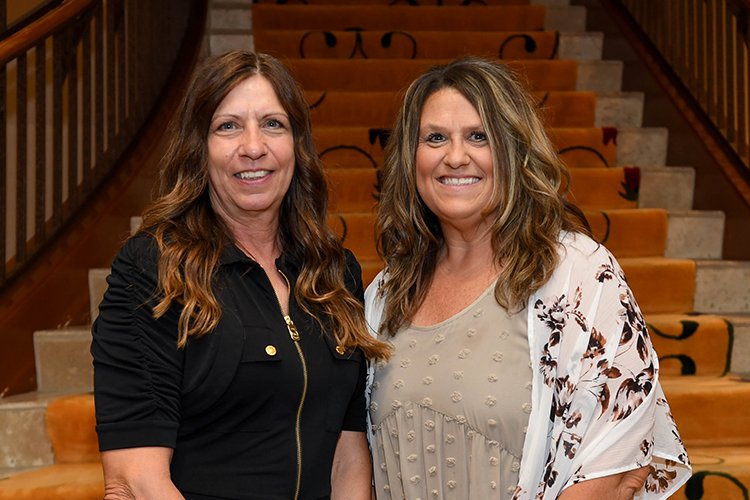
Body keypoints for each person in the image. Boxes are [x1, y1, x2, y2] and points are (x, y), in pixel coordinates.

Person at [364, 57, 691, 499]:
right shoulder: (384, 295)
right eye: (435, 138)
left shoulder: (578, 276)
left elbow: (616, 455)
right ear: (411, 157)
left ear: (514, 149)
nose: (455, 156)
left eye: (479, 136)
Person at [91, 50, 391, 500]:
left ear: (297, 145)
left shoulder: (332, 272)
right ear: (199, 147)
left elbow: (347, 453)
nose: (254, 146)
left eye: (273, 124)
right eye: (228, 126)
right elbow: (136, 478)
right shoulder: (154, 269)